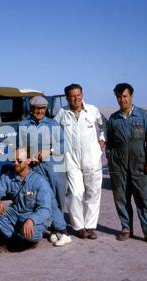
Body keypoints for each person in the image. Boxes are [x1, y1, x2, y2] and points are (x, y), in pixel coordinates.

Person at [106, 83, 147, 246]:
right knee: (121, 198)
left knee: (143, 199)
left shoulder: (143, 115)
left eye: (125, 96)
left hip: (140, 164)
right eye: (119, 97)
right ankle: (125, 228)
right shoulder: (113, 119)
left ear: (131, 96)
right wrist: (110, 158)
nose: (122, 100)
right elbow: (109, 142)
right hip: (118, 165)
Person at [54, 84, 106, 240]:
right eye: (72, 96)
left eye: (78, 95)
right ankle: (79, 227)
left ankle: (90, 226)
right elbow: (53, 131)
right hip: (71, 159)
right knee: (76, 193)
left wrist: (102, 141)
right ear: (67, 98)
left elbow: (104, 125)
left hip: (92, 158)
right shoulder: (62, 113)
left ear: (82, 95)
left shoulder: (92, 110)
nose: (75, 98)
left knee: (93, 192)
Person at [18, 96, 71, 246]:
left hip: (55, 167)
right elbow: (21, 147)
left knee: (59, 197)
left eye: (42, 108)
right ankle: (56, 229)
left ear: (46, 109)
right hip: (36, 168)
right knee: (46, 198)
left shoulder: (53, 124)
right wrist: (28, 157)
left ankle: (57, 229)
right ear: (31, 109)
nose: (39, 111)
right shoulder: (23, 125)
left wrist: (50, 150)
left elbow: (64, 144)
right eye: (36, 108)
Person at [0, 147, 52, 253]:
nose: (15, 163)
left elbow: (45, 209)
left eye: (19, 161)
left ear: (28, 161)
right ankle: (15, 237)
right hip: (16, 213)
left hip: (32, 217)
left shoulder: (40, 181)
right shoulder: (8, 177)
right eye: (13, 160)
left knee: (31, 233)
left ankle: (28, 239)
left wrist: (32, 220)